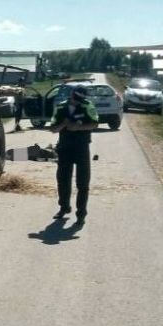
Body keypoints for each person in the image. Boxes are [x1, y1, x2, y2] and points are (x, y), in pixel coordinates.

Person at [50, 85, 98, 224]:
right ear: (72, 95)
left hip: (82, 147)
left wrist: (78, 127)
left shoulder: (87, 106)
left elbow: (94, 123)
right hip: (65, 147)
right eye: (76, 98)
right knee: (63, 179)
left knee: (83, 182)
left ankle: (81, 213)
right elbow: (53, 128)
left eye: (80, 99)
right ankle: (64, 207)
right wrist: (63, 125)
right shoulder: (60, 107)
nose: (78, 102)